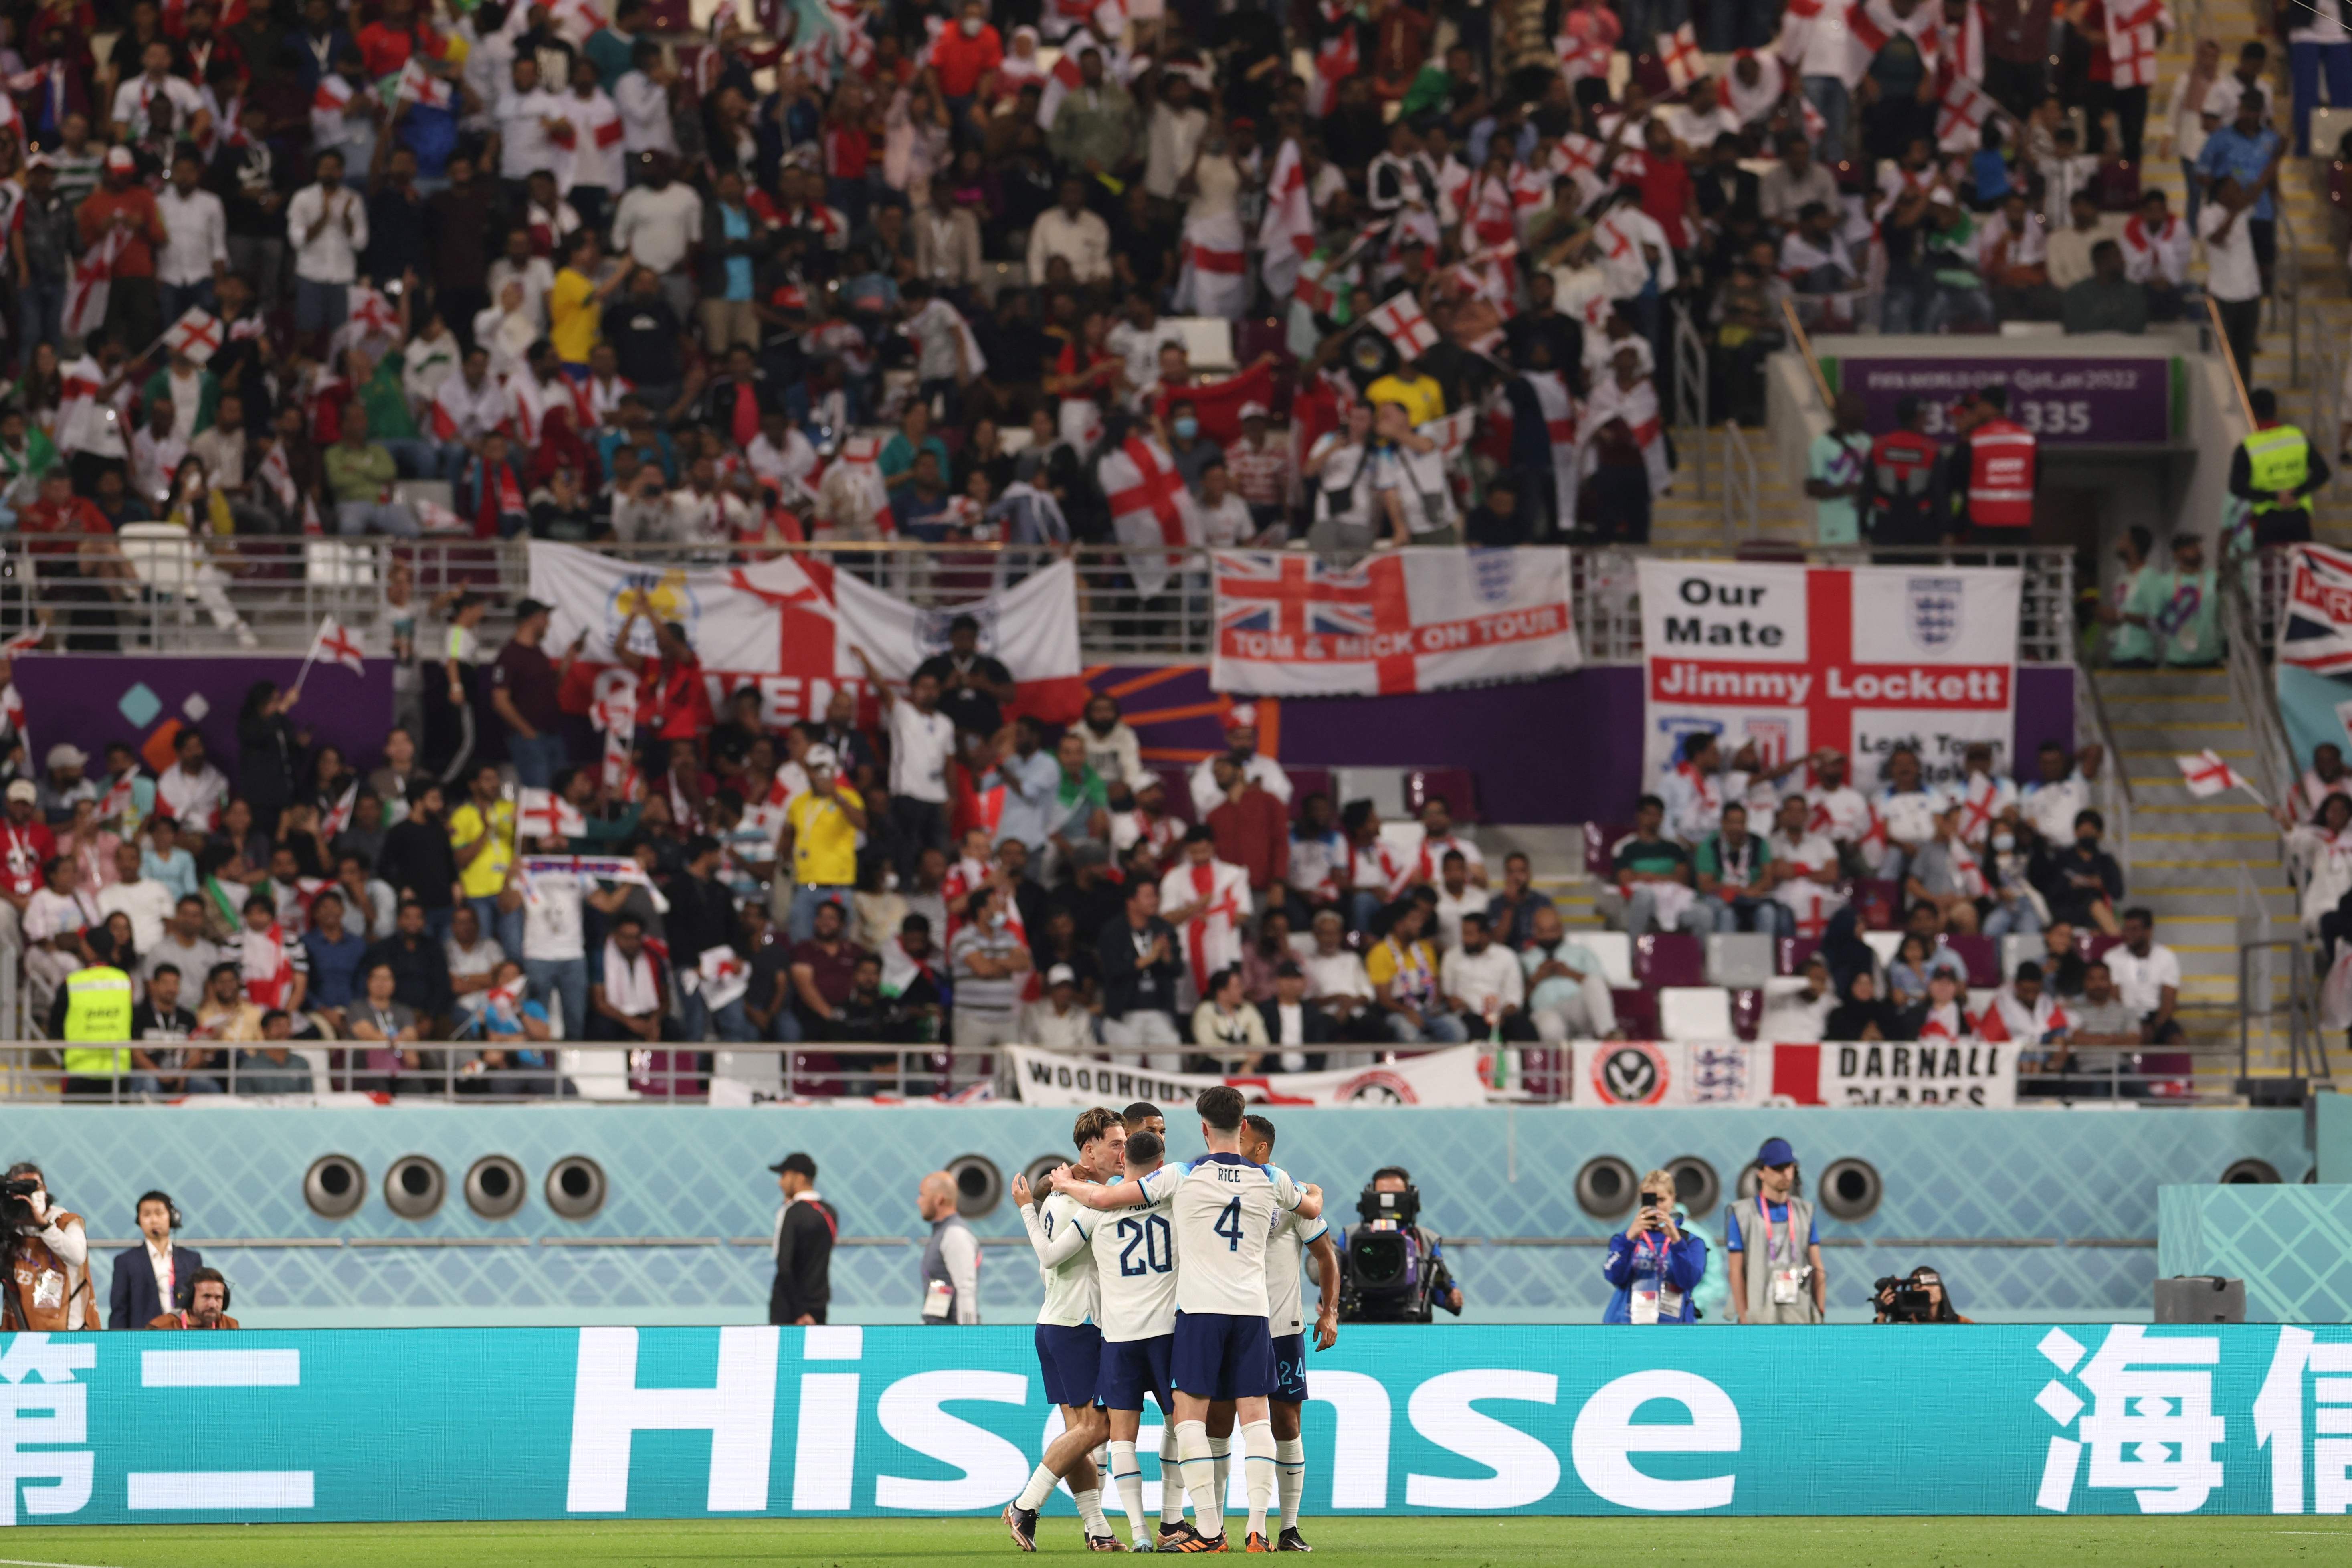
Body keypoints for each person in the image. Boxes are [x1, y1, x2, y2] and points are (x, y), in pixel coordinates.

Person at [1048, 1087, 1326, 1554]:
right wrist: (1312, 1191)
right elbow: (1312, 1209)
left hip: (1200, 1313)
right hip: (1254, 1312)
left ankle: (1211, 1531)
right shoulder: (1273, 1177)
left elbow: (1108, 1200)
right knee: (1256, 1417)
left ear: (1202, 1127)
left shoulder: (1182, 1174)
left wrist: (1067, 1184)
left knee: (1189, 1419)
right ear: (1242, 1127)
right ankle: (1258, 1529)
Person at [1005, 1107, 1128, 1553]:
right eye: (1115, 1143)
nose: (1123, 1152)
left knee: (1080, 1433)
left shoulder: (1065, 1195)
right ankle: (1026, 1504)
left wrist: (1030, 1210)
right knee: (1099, 1428)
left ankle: (1097, 1530)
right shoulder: (1087, 1198)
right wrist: (1025, 1212)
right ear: (1089, 1149)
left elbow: (1048, 1266)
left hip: (1055, 1322)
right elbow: (1053, 1257)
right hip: (1077, 1327)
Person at [1723, 1136, 1826, 1324]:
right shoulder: (1742, 1214)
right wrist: (1744, 1317)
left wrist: (1819, 1313)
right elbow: (1735, 1271)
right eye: (1778, 1168)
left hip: (1800, 1316)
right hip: (1758, 1318)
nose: (1786, 1174)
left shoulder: (1806, 1212)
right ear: (1761, 1172)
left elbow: (1817, 1266)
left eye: (1789, 1167)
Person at [1603, 1168, 1706, 1325]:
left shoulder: (1691, 1242)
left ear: (1673, 1199)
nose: (1657, 1207)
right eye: (1650, 1200)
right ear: (1640, 1200)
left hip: (1674, 1330)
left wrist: (1676, 1241)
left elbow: (1689, 1281)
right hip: (1628, 1326)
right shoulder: (1624, 1239)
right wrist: (1629, 1240)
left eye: (1662, 1200)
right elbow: (1614, 1276)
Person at [2231, 387, 2331, 547]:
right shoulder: (2297, 437)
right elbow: (2323, 473)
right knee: (2300, 568)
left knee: (2270, 569)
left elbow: (2237, 487)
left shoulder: (2247, 447)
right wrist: (2298, 492)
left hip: (2267, 521)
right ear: (2275, 409)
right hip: (2299, 519)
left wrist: (2274, 496)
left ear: (2252, 412)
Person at [0, 1163, 91, 1330]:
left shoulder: (66, 1222)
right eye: (22, 1189)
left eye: (35, 1186)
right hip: (19, 1333)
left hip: (67, 1331)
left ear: (45, 1189)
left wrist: (44, 1226)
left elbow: (78, 1256)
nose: (30, 1194)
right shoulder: (10, 1229)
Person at [110, 1189, 202, 1329]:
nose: (153, 1220)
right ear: (139, 1221)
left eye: (159, 1213)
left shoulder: (191, 1260)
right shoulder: (126, 1262)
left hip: (184, 1337)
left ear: (171, 1218)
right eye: (147, 1215)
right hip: (144, 1339)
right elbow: (119, 1312)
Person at [768, 1151, 836, 1327]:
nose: (780, 1182)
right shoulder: (829, 1212)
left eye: (784, 1176)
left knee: (786, 1355)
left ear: (798, 1178)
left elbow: (784, 1265)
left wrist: (800, 1312)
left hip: (790, 1309)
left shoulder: (791, 1212)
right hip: (819, 1307)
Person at [916, 1169, 980, 1326]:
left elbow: (966, 1290)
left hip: (952, 1338)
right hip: (941, 1334)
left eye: (923, 1195)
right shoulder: (943, 1232)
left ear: (939, 1200)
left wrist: (968, 1338)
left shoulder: (955, 1235)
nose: (919, 1201)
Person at [1806, 392, 1870, 549]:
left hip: (1865, 528)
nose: (1864, 415)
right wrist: (1846, 490)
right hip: (1835, 530)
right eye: (1857, 410)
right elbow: (1812, 488)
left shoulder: (1868, 442)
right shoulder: (1821, 445)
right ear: (1840, 414)